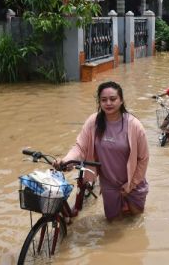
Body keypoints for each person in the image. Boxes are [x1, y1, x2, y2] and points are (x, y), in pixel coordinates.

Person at [54, 81, 149, 221]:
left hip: (133, 183)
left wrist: (132, 184)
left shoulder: (134, 125)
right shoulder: (93, 122)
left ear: (121, 100)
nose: (108, 103)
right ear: (99, 102)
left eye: (113, 99)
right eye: (104, 100)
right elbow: (80, 147)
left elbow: (143, 158)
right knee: (113, 224)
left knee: (136, 221)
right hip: (108, 184)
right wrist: (66, 160)